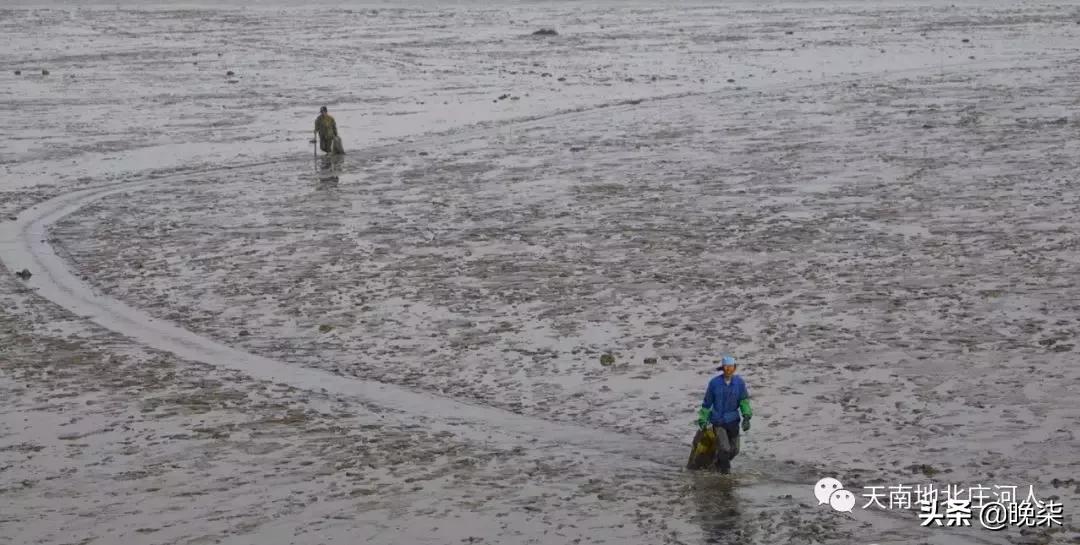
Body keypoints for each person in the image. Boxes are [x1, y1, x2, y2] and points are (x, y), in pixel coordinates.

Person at [695, 355, 752, 474]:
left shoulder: (739, 383)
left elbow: (744, 401)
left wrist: (746, 416)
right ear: (722, 368)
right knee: (725, 448)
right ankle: (725, 474)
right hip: (718, 421)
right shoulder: (714, 383)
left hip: (733, 421)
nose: (728, 369)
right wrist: (703, 419)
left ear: (734, 368)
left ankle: (717, 463)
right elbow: (707, 404)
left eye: (731, 366)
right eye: (726, 366)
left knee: (735, 450)